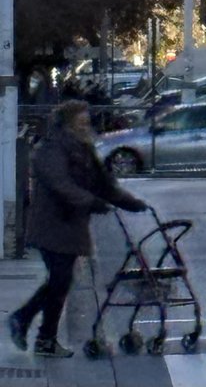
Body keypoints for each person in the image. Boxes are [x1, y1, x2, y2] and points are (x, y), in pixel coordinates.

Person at [8, 100, 147, 359]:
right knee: (60, 281)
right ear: (68, 124)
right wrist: (91, 202)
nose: (85, 126)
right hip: (52, 226)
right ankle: (35, 329)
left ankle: (36, 331)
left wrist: (131, 203)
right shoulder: (51, 149)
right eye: (80, 122)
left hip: (70, 227)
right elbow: (60, 184)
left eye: (86, 122)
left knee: (59, 282)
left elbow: (104, 185)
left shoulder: (83, 149)